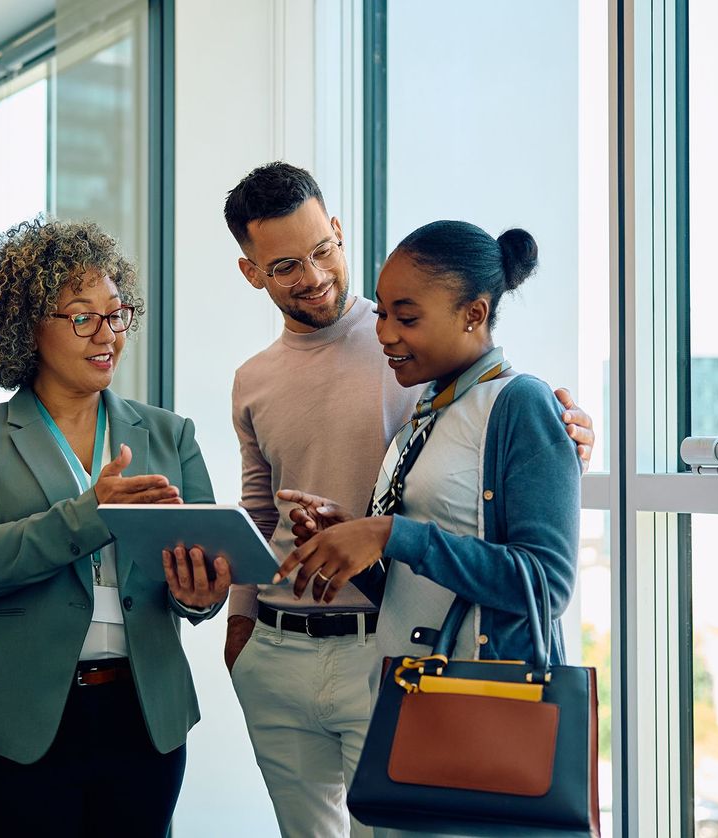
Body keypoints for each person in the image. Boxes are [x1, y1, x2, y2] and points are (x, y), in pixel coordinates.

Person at [223, 162, 594, 838]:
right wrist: (345, 535)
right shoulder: (427, 402)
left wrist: (387, 534)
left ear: (338, 233)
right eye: (285, 266)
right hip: (372, 660)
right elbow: (389, 539)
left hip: (442, 678)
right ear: (253, 273)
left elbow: (544, 574)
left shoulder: (472, 389)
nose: (387, 333)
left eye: (323, 250)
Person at [0, 217, 230, 836]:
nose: (107, 335)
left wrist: (201, 595)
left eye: (116, 315)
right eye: (82, 316)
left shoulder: (170, 434)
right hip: (12, 722)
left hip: (143, 720)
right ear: (27, 325)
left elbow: (201, 561)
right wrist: (92, 513)